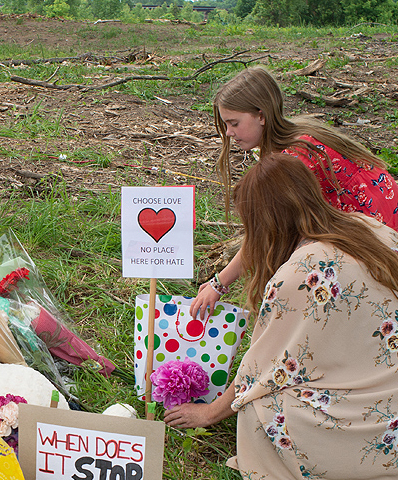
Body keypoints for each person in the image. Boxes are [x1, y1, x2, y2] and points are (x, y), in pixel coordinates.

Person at [166, 153, 398, 479]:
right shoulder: (368, 225)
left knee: (260, 410)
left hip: (370, 428)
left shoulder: (301, 273)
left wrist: (210, 412)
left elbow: (263, 369)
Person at [190, 66, 398, 320]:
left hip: (374, 240)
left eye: (234, 123)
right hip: (383, 222)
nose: (229, 133)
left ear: (261, 116)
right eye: (226, 124)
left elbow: (264, 232)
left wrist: (219, 283)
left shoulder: (294, 159)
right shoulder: (297, 132)